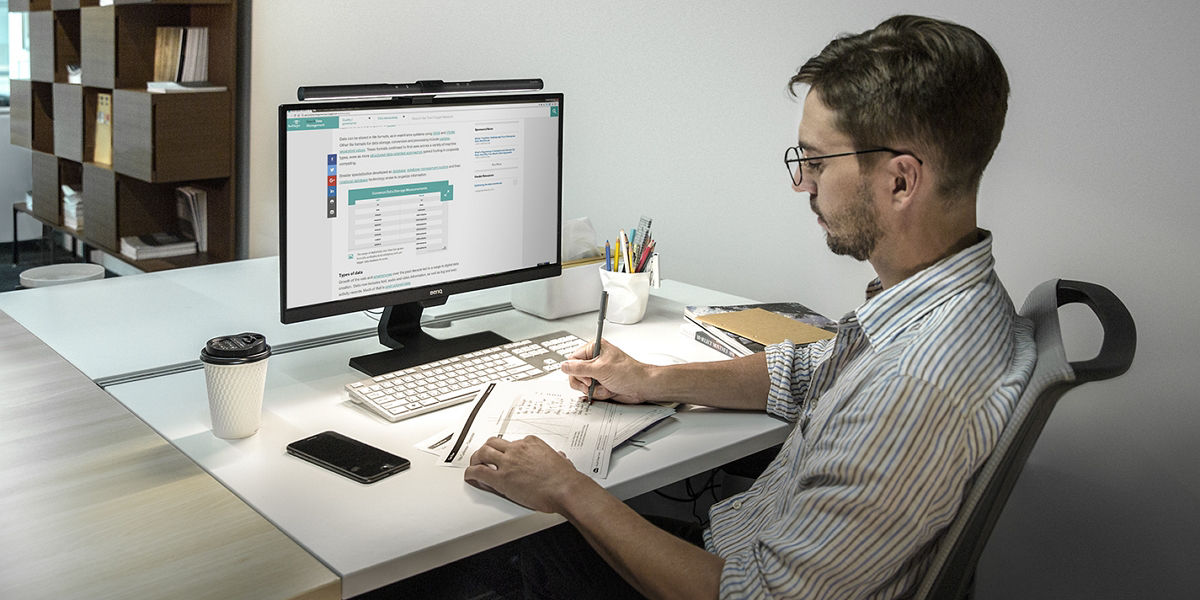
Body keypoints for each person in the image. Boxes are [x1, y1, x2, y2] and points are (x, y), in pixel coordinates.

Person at [464, 14, 1036, 599]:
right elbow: (804, 374)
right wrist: (649, 379)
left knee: (475, 560)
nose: (801, 184)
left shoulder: (913, 386)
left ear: (900, 181)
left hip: (726, 581)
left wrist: (567, 488)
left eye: (816, 162)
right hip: (735, 548)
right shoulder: (951, 305)